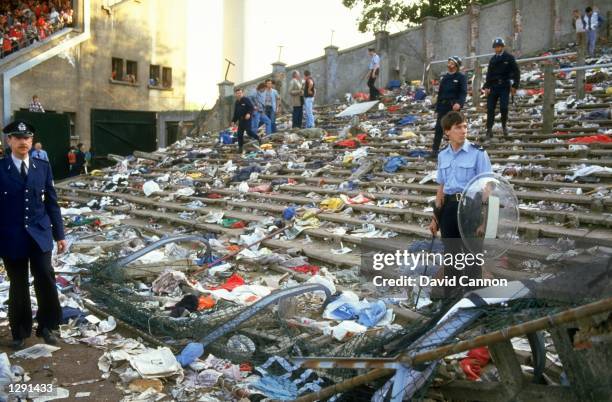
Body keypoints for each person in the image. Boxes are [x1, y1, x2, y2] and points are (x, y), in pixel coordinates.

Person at [0, 120, 66, 349]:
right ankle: (19, 332)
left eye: (27, 138)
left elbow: (52, 203)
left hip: (39, 234)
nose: (23, 142)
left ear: (32, 141)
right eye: (18, 138)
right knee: (18, 284)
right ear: (9, 140)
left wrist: (60, 234)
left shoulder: (42, 167)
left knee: (46, 278)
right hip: (11, 236)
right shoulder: (1, 168)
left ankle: (48, 327)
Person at [429, 112, 492, 298]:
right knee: (451, 257)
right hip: (449, 209)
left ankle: (473, 301)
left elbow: (487, 187)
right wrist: (435, 218)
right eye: (458, 127)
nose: (463, 131)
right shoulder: (443, 156)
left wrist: (484, 220)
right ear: (447, 131)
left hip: (471, 208)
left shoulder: (478, 153)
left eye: (465, 126)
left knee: (472, 258)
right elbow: (441, 187)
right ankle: (451, 300)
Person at [483, 37, 520, 138]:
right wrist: (486, 86)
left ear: (502, 47)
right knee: (490, 108)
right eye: (495, 47)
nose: (497, 48)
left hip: (504, 86)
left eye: (499, 46)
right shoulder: (493, 59)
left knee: (504, 107)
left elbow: (516, 72)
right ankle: (489, 129)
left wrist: (515, 85)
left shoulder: (509, 57)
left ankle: (504, 126)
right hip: (493, 86)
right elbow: (489, 74)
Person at [432, 56, 467, 157]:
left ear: (456, 66)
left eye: (451, 63)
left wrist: (459, 103)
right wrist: (437, 108)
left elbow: (463, 92)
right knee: (439, 128)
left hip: (453, 106)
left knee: (454, 129)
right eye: (448, 63)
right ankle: (435, 150)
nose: (449, 65)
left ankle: (457, 151)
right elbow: (440, 93)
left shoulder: (461, 77)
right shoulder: (445, 77)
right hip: (443, 106)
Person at [231, 87, 261, 154]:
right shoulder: (236, 102)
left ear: (242, 93)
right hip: (240, 121)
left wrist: (248, 113)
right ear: (235, 94)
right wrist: (233, 121)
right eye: (237, 93)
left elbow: (251, 107)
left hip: (247, 119)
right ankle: (240, 148)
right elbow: (236, 113)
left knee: (249, 132)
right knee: (239, 135)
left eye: (240, 93)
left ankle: (258, 138)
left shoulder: (246, 99)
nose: (239, 94)